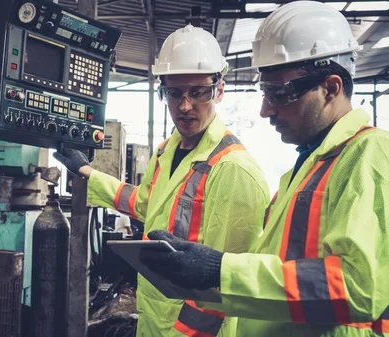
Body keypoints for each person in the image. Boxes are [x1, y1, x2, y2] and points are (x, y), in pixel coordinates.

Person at [140, 2, 389, 337]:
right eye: (264, 93)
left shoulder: (370, 155)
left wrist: (219, 270)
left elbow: (358, 288)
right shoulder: (310, 167)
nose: (264, 111)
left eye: (280, 94)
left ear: (330, 88)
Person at [54, 24, 269, 337]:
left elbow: (222, 286)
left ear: (218, 90)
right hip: (154, 317)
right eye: (174, 93)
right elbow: (145, 203)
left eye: (198, 92)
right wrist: (85, 172)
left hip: (189, 330)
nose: (184, 106)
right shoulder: (168, 150)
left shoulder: (234, 169)